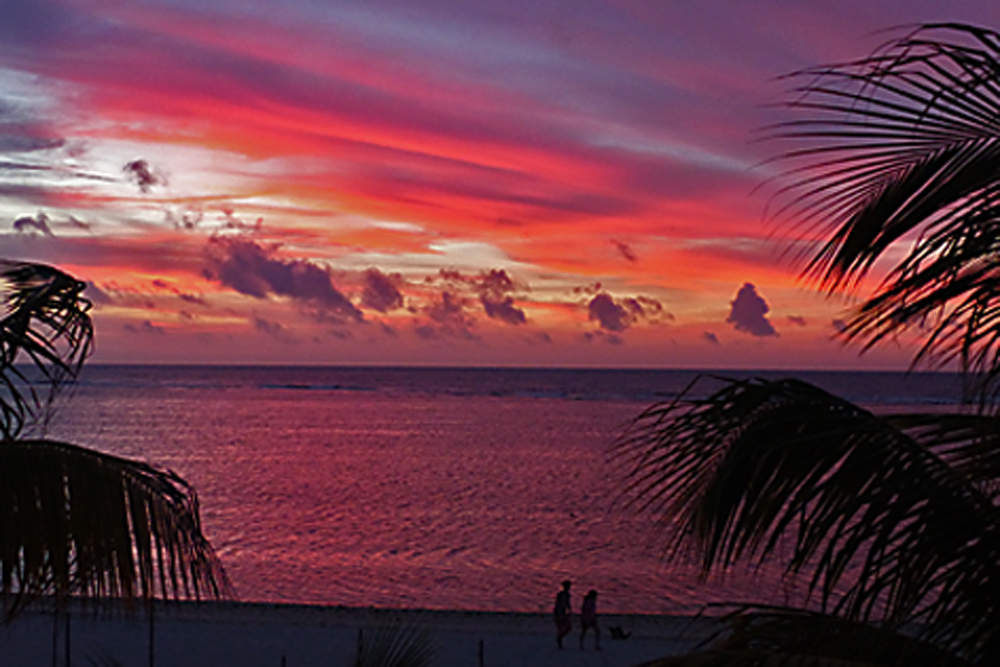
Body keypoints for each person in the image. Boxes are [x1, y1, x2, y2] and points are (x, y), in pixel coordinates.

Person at [553, 580, 572, 648]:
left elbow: (567, 604)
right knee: (561, 628)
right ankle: (560, 642)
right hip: (559, 612)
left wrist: (569, 610)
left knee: (567, 628)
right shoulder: (561, 594)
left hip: (562, 612)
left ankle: (559, 639)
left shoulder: (567, 595)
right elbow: (559, 604)